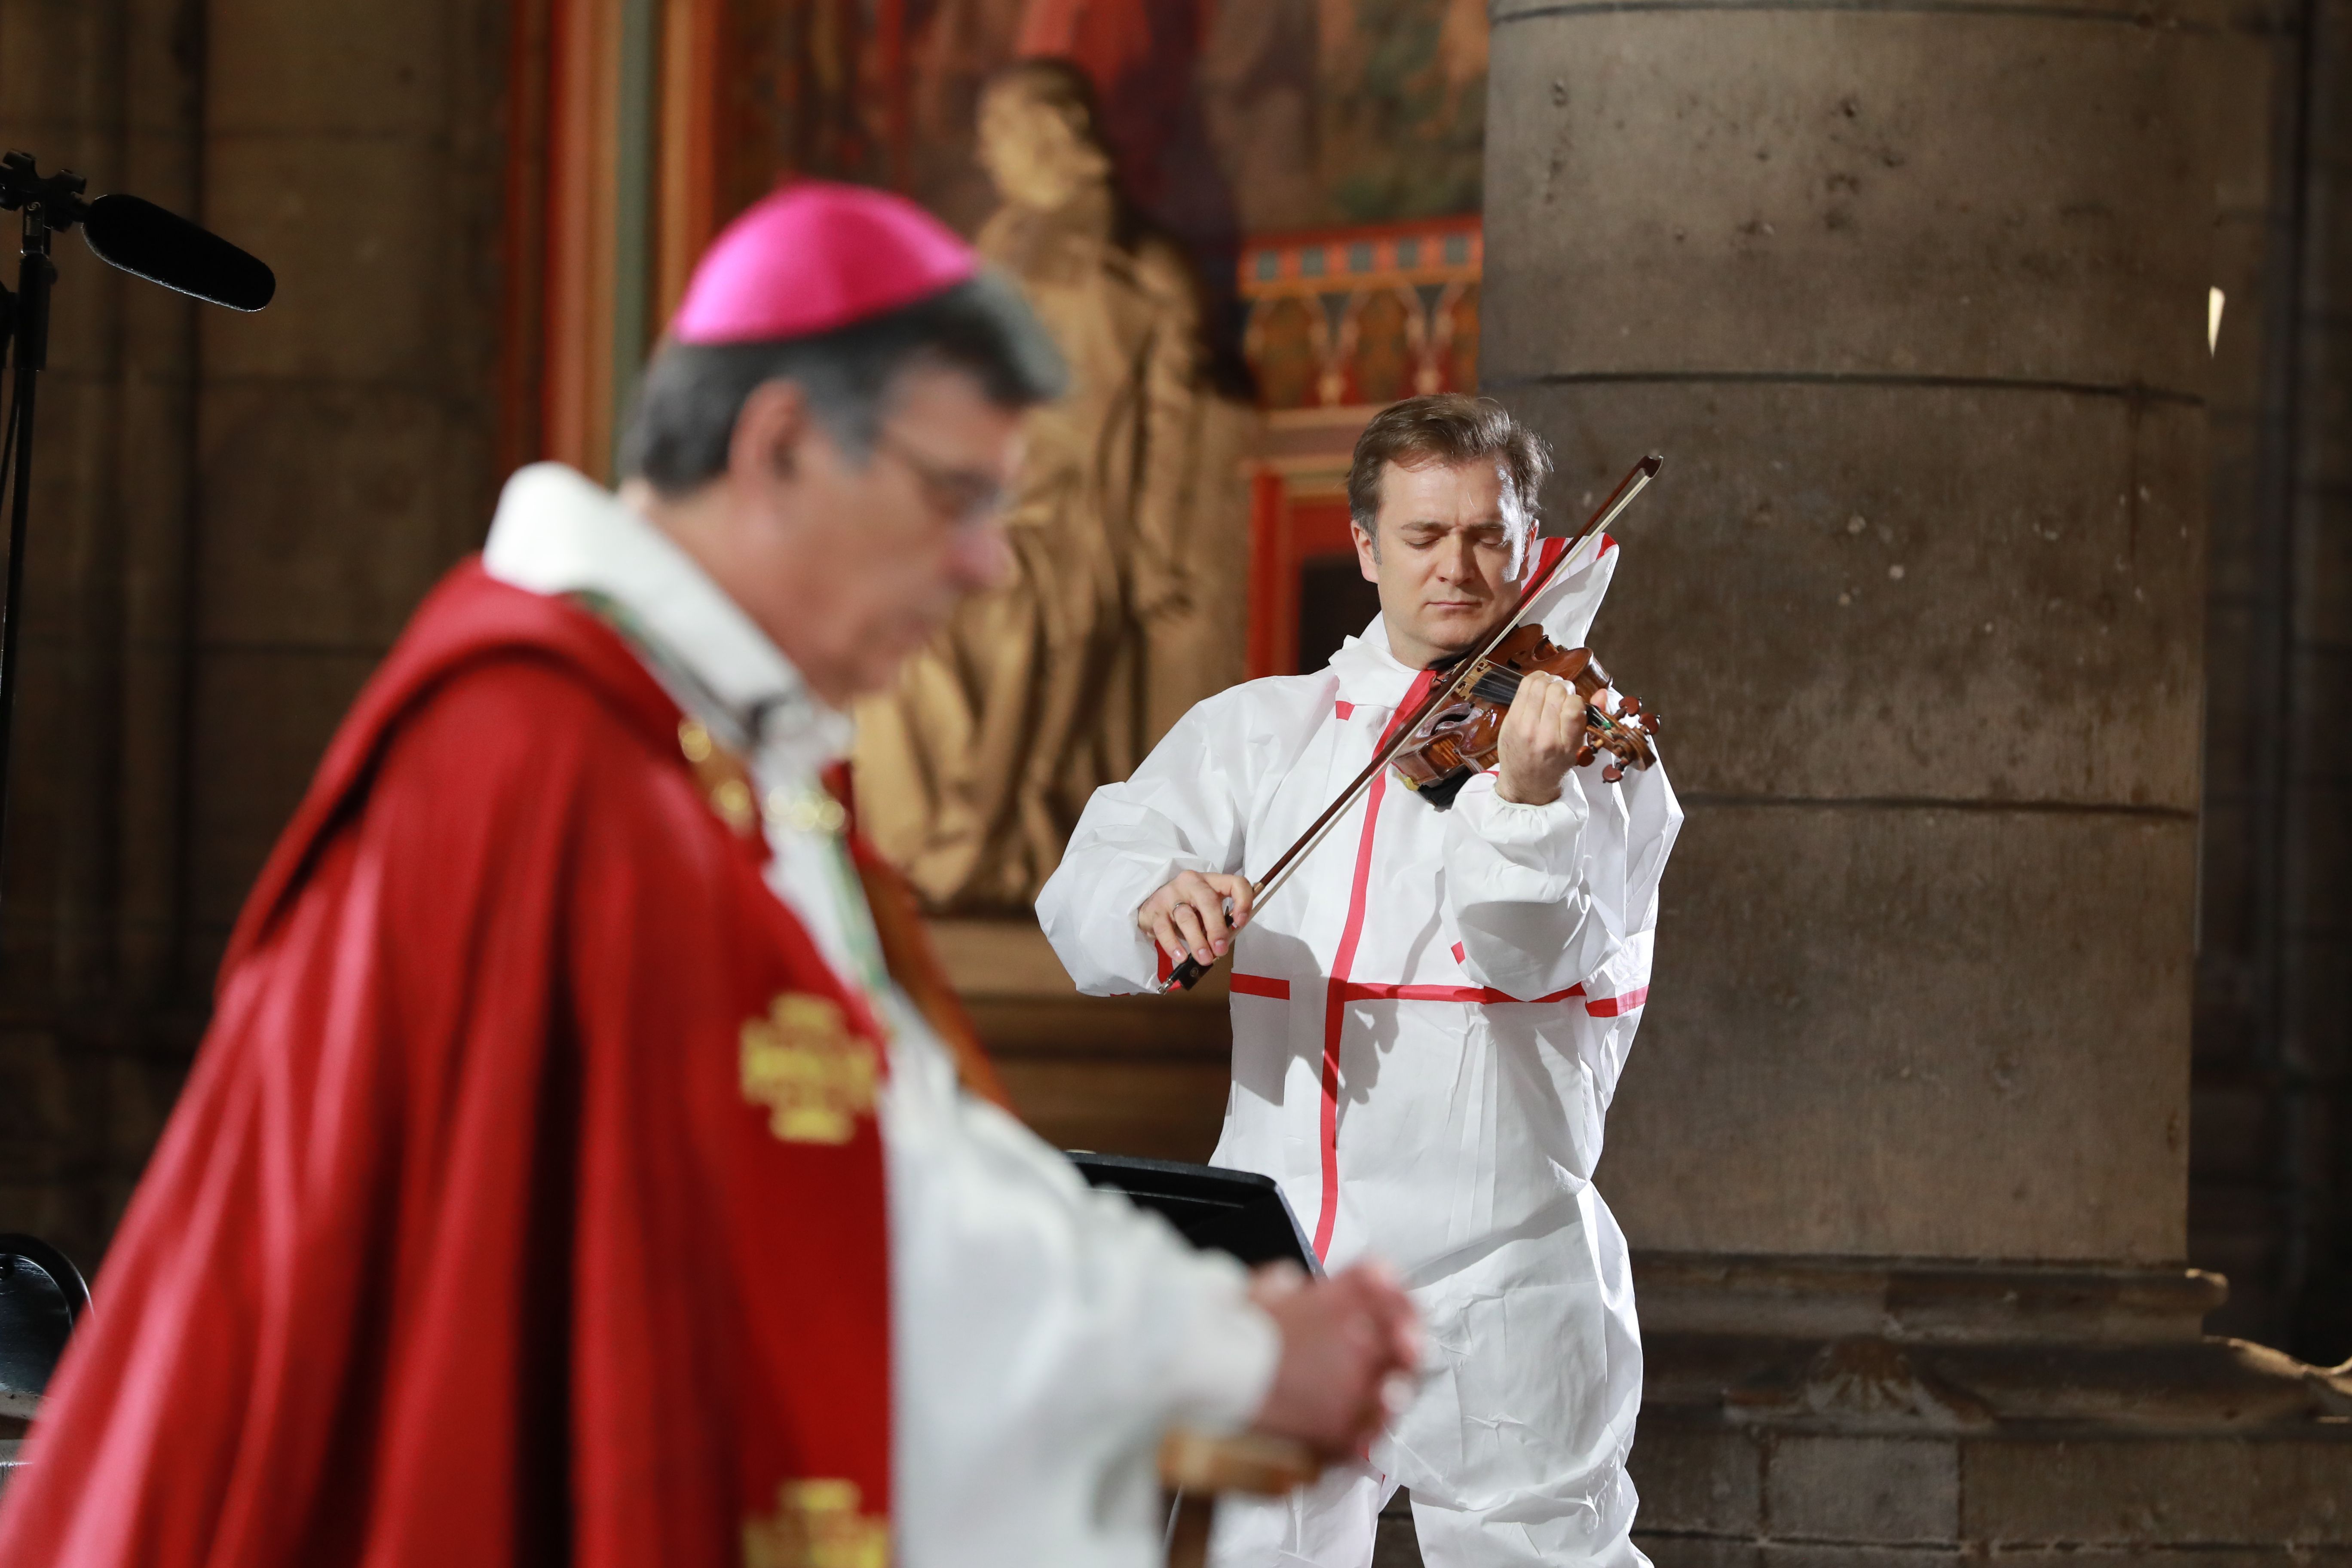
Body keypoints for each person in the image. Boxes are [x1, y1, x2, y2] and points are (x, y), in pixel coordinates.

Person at [0, 182, 1417, 1568]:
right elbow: (852, 1222)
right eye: (958, 496)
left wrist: (1209, 1339)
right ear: (783, 444)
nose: (991, 568)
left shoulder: (726, 767)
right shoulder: (544, 754)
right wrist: (1218, 1354)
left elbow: (885, 1143)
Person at [1038, 394, 1683, 1568]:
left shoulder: (1589, 752)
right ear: (1366, 548)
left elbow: (1532, 951)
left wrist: (1527, 800)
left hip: (1501, 1263)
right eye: (1425, 537)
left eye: (1489, 536)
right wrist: (1150, 902)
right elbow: (1092, 883)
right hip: (1284, 1254)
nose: (1459, 568)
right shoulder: (1262, 734)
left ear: (1532, 547)